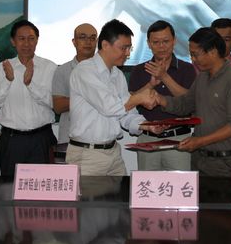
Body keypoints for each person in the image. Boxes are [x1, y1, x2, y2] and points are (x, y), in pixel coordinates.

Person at [148, 27, 231, 177]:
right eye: (191, 55)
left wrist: (200, 141)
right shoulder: (202, 77)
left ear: (213, 52)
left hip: (225, 162)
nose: (193, 59)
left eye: (195, 55)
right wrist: (160, 100)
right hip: (200, 159)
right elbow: (186, 104)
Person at [66, 19, 160, 176]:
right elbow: (109, 107)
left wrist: (148, 126)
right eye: (123, 48)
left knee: (122, 192)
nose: (128, 53)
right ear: (105, 45)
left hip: (114, 152)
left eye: (130, 48)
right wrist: (140, 97)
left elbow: (126, 113)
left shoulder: (117, 75)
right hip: (87, 154)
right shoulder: (85, 70)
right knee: (89, 194)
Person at [0, 20, 57, 176]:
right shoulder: (2, 68)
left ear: (37, 40)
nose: (26, 44)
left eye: (31, 38)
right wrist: (8, 80)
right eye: (21, 39)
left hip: (42, 138)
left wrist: (30, 84)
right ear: (13, 41)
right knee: (10, 187)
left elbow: (54, 103)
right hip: (12, 140)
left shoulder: (50, 67)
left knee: (43, 187)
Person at [128, 20, 197, 171]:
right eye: (156, 42)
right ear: (148, 44)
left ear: (174, 41)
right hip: (147, 138)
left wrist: (164, 76)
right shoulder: (139, 70)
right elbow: (130, 103)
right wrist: (151, 84)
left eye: (165, 41)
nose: (161, 46)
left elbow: (191, 101)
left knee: (180, 184)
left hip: (179, 138)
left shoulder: (187, 69)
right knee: (146, 184)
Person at [52, 23, 98, 149]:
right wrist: (92, 96)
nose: (88, 42)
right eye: (83, 37)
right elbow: (58, 107)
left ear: (97, 42)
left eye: (92, 38)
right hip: (70, 140)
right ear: (74, 42)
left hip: (100, 141)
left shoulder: (108, 70)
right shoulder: (62, 70)